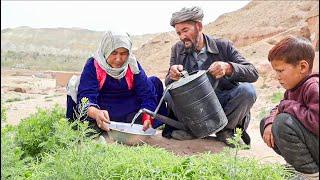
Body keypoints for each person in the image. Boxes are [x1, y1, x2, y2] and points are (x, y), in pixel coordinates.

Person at [163, 6, 259, 147]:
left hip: (221, 102)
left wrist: (228, 67)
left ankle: (226, 131)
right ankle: (193, 130)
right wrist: (172, 75)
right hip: (195, 106)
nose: (182, 37)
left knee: (247, 91)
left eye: (185, 30)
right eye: (178, 33)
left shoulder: (223, 46)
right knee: (170, 93)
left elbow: (253, 72)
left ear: (199, 26)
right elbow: (168, 82)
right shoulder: (177, 49)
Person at [66, 30, 166, 133]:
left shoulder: (132, 65)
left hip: (128, 106)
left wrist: (147, 118)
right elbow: (87, 96)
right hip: (103, 108)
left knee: (154, 83)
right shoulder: (93, 65)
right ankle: (97, 124)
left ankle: (134, 123)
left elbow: (147, 94)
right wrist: (96, 113)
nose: (118, 59)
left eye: (124, 53)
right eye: (113, 53)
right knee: (74, 85)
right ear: (106, 50)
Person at [260, 36, 319, 177]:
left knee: (282, 123)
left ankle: (311, 174)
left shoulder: (313, 87)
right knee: (267, 123)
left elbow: (316, 123)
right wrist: (269, 123)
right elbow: (280, 107)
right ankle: (299, 165)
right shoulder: (293, 90)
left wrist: (288, 106)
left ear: (302, 67)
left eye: (280, 71)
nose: (277, 76)